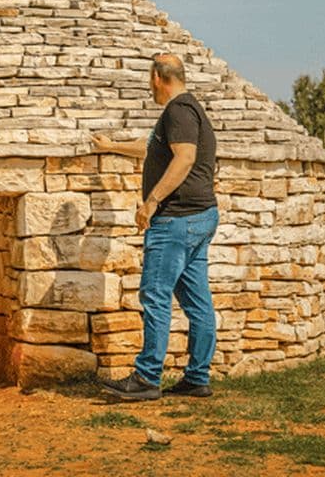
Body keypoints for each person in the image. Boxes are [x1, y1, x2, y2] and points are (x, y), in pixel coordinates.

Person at [92, 53, 218, 401]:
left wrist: (152, 202)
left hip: (176, 220)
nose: (150, 86)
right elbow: (153, 150)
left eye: (150, 79)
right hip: (200, 218)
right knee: (197, 301)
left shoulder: (177, 110)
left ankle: (147, 378)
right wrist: (112, 146)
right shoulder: (191, 110)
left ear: (157, 77)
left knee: (155, 294)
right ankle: (197, 377)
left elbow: (185, 157)